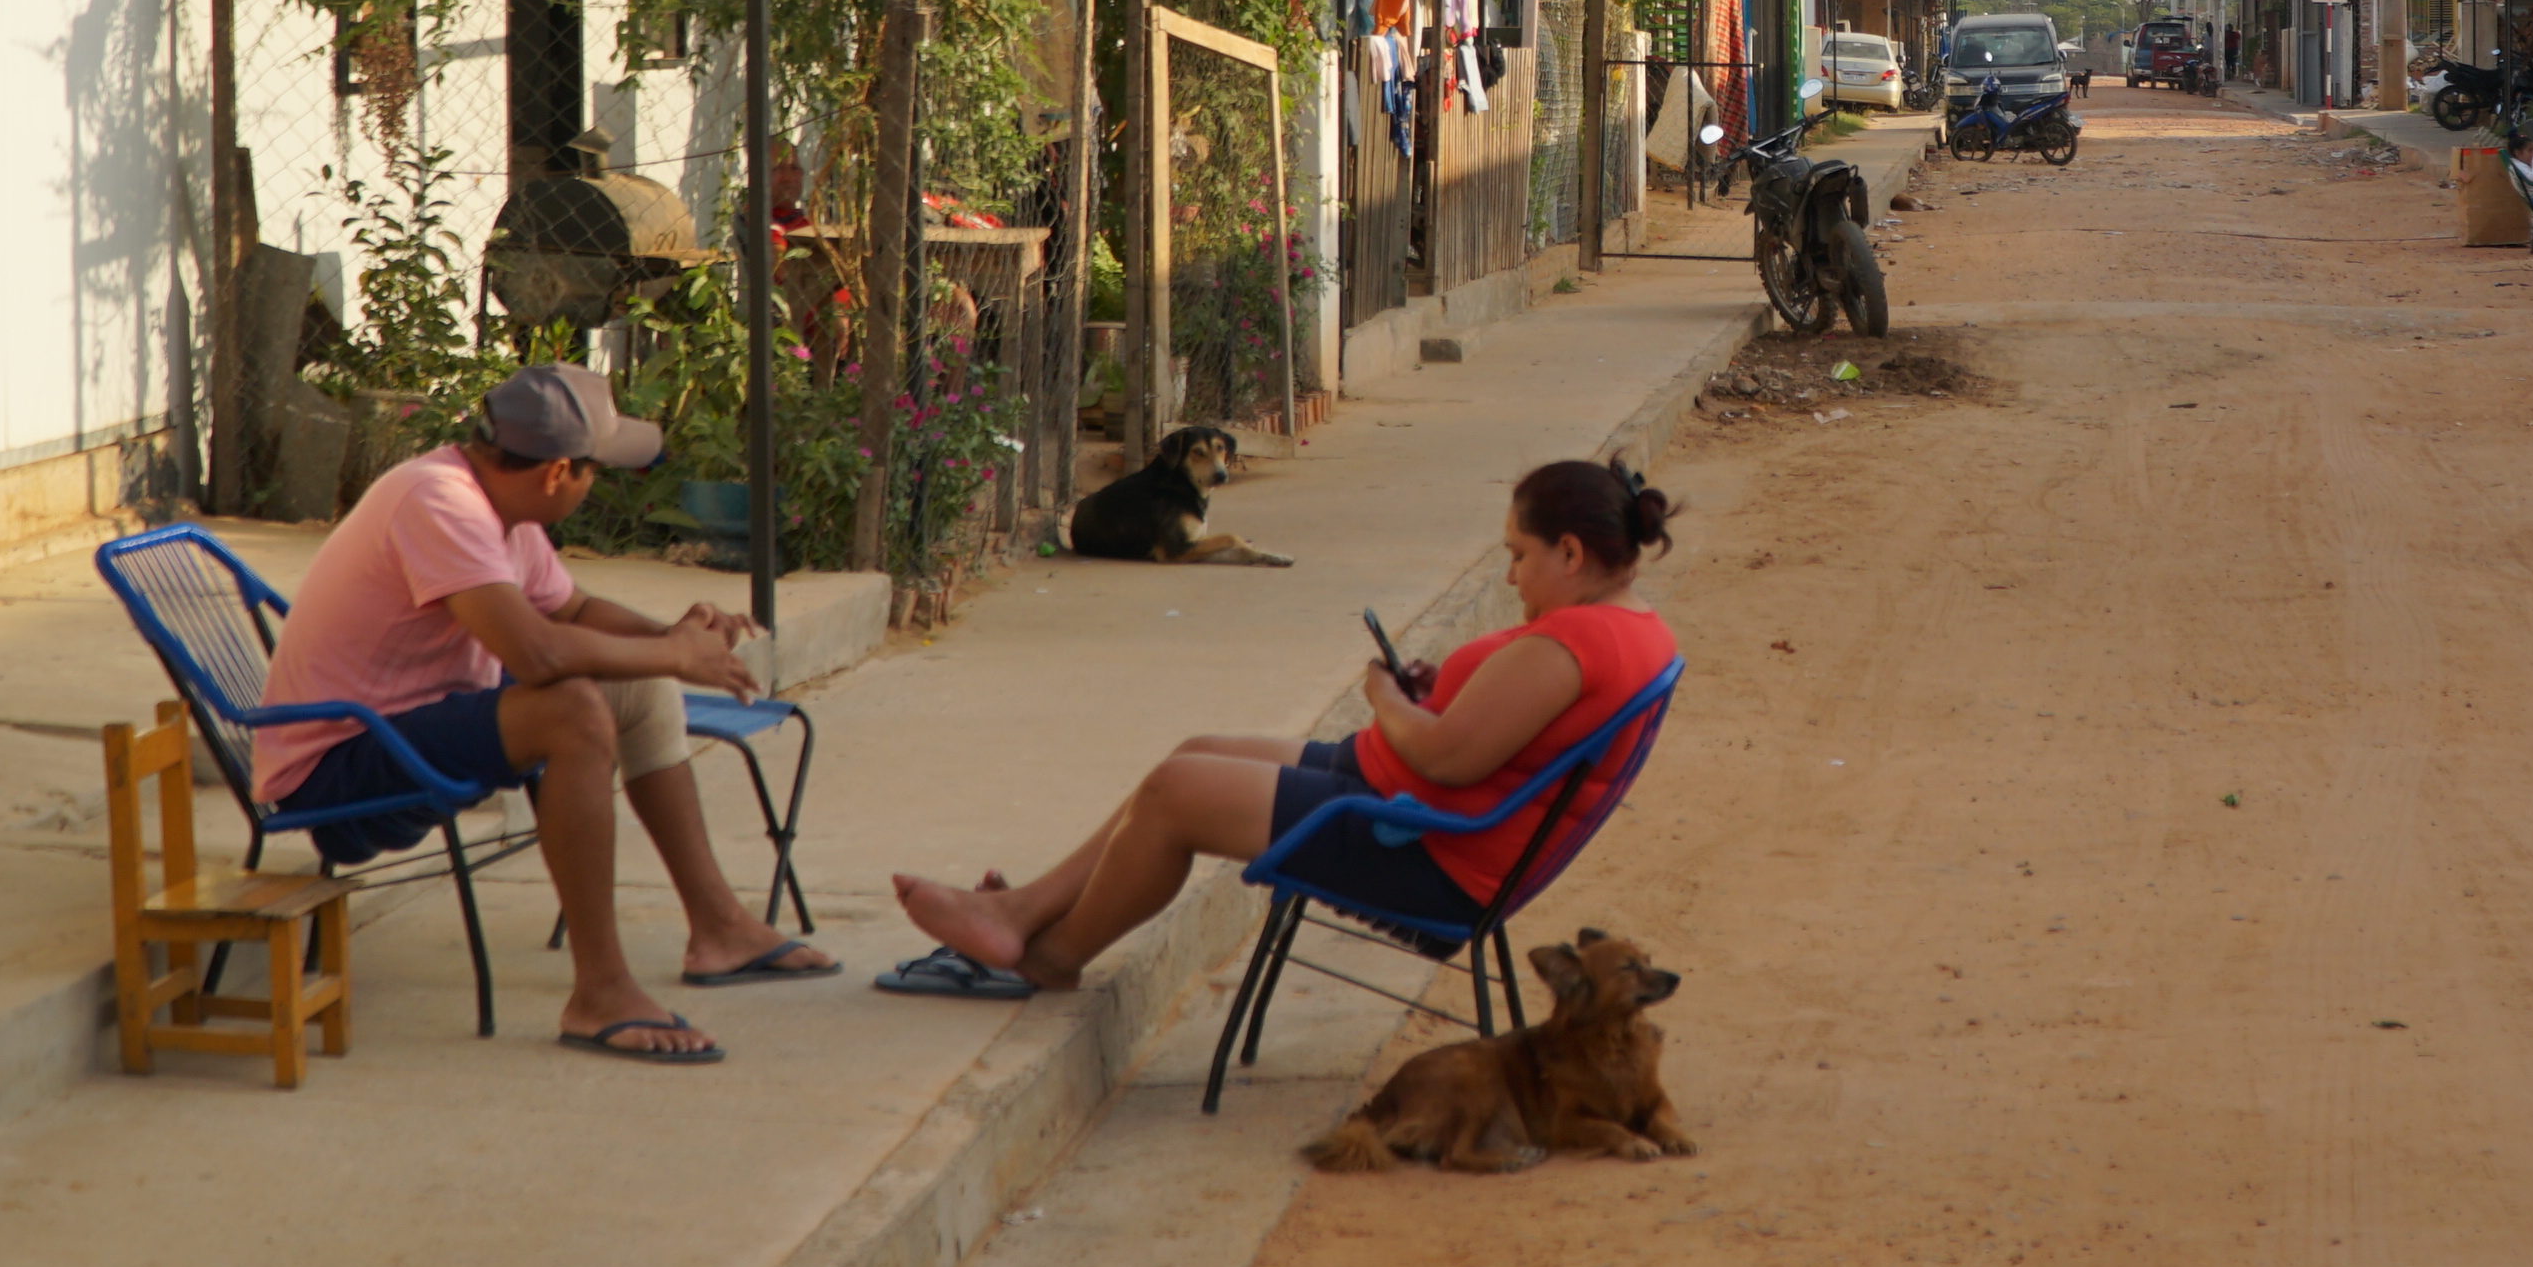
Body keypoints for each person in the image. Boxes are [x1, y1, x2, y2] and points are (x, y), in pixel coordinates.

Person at [888, 460, 1679, 992]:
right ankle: (1018, 913)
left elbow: (1443, 759)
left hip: (1419, 848)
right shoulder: (1624, 623)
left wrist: (1385, 699)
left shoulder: (1577, 642)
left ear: (1571, 552)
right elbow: (1498, 732)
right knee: (1194, 754)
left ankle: (1049, 958)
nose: (1511, 575)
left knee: (1174, 792)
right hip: (1405, 808)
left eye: (1520, 555)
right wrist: (1436, 697)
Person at [256, 365, 834, 1064]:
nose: (596, 488)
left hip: (407, 730)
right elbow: (537, 653)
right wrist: (674, 654)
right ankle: (601, 991)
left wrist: (672, 639)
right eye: (595, 474)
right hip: (336, 774)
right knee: (573, 711)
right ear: (559, 473)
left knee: (640, 687)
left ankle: (720, 929)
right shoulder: (439, 503)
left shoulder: (499, 507)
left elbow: (575, 612)